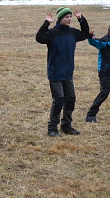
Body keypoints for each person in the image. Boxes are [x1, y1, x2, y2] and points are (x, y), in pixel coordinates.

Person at [36, 7, 90, 137]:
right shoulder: (52, 33)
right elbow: (39, 38)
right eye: (66, 17)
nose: (69, 19)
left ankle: (66, 125)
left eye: (70, 17)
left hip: (68, 73)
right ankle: (52, 128)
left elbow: (85, 33)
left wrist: (81, 19)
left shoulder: (72, 33)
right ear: (60, 19)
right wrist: (46, 23)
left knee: (70, 98)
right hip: (55, 73)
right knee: (59, 99)